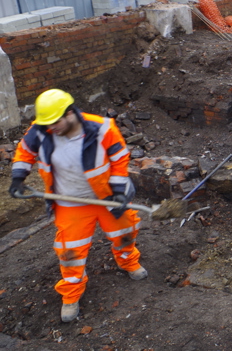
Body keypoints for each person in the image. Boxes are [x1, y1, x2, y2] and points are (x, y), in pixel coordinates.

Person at [9, 89, 145, 323]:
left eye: (56, 122)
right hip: (70, 203)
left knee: (125, 233)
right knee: (70, 252)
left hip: (107, 198)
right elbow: (25, 151)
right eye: (47, 124)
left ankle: (129, 261)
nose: (52, 128)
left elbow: (120, 158)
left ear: (70, 113)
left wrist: (120, 192)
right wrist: (18, 177)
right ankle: (71, 294)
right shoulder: (40, 130)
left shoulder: (102, 127)